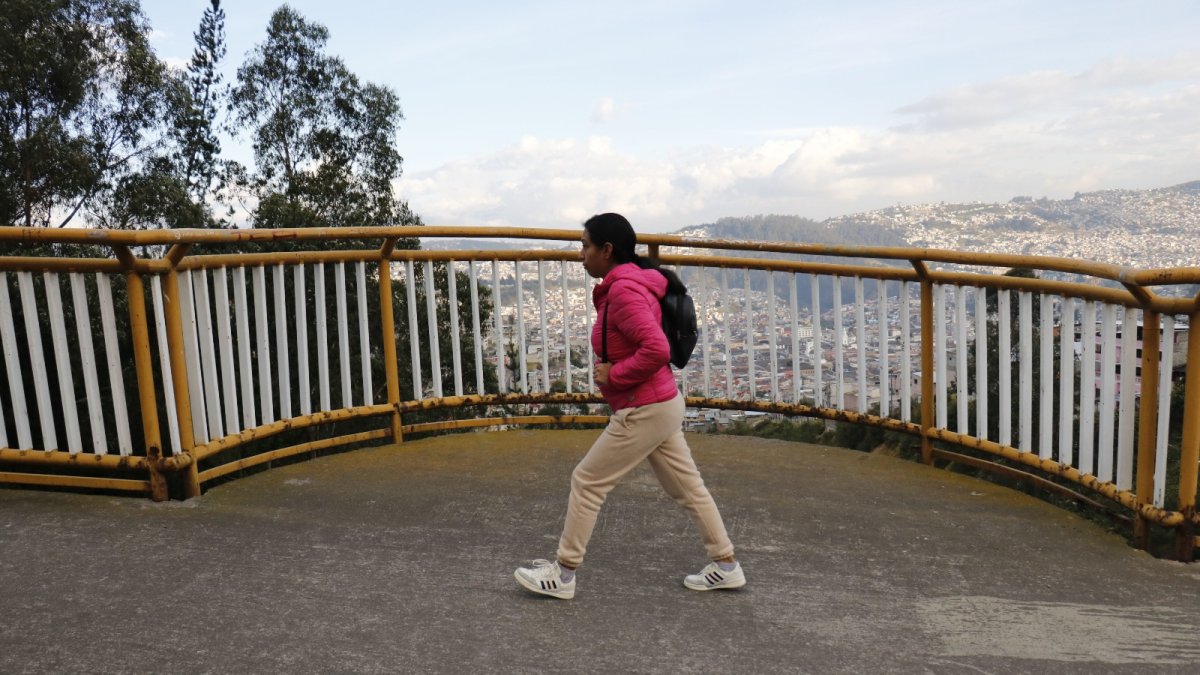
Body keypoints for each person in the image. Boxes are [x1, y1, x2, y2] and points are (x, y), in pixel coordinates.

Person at [514, 212, 745, 600]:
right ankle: (726, 565)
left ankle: (564, 574)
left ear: (607, 250)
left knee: (587, 481)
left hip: (644, 406)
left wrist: (614, 376)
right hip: (661, 403)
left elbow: (656, 348)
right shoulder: (631, 283)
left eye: (585, 246)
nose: (580, 255)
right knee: (689, 490)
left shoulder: (623, 291)